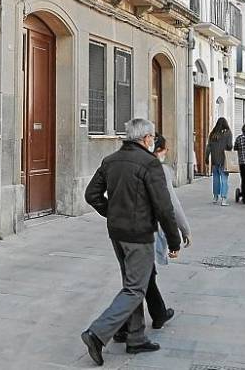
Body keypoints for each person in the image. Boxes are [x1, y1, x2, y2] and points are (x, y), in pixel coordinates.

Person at [81, 119, 182, 366]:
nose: (153, 141)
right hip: (139, 235)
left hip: (117, 233)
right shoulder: (150, 163)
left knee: (133, 284)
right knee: (135, 289)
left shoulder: (111, 161)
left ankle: (135, 338)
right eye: (152, 137)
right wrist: (173, 240)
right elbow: (163, 207)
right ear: (146, 138)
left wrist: (112, 212)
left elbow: (91, 194)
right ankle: (97, 333)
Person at [113, 135, 191, 344]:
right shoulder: (156, 168)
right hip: (145, 231)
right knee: (138, 282)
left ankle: (155, 315)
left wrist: (112, 214)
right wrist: (183, 231)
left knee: (143, 277)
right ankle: (118, 327)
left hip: (123, 230)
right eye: (165, 149)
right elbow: (170, 206)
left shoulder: (127, 163)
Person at [205, 117, 234, 206]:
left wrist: (206, 158)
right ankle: (224, 199)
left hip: (214, 160)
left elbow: (208, 147)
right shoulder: (228, 133)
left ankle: (215, 197)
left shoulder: (212, 134)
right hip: (224, 160)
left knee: (216, 179)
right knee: (224, 179)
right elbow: (229, 146)